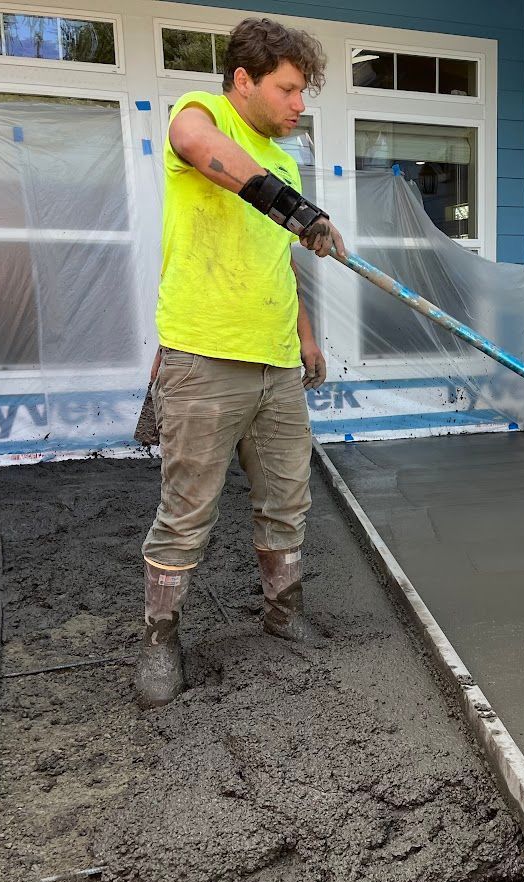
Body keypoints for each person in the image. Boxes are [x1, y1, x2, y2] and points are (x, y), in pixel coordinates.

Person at [136, 16, 345, 707]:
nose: (299, 105)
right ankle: (161, 640)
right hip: (203, 359)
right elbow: (195, 145)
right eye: (288, 90)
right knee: (186, 510)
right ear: (244, 80)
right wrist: (296, 207)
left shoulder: (281, 162)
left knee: (287, 500)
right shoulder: (203, 117)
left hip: (278, 362)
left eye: (303, 92)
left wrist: (306, 338)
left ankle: (283, 615)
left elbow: (275, 257)